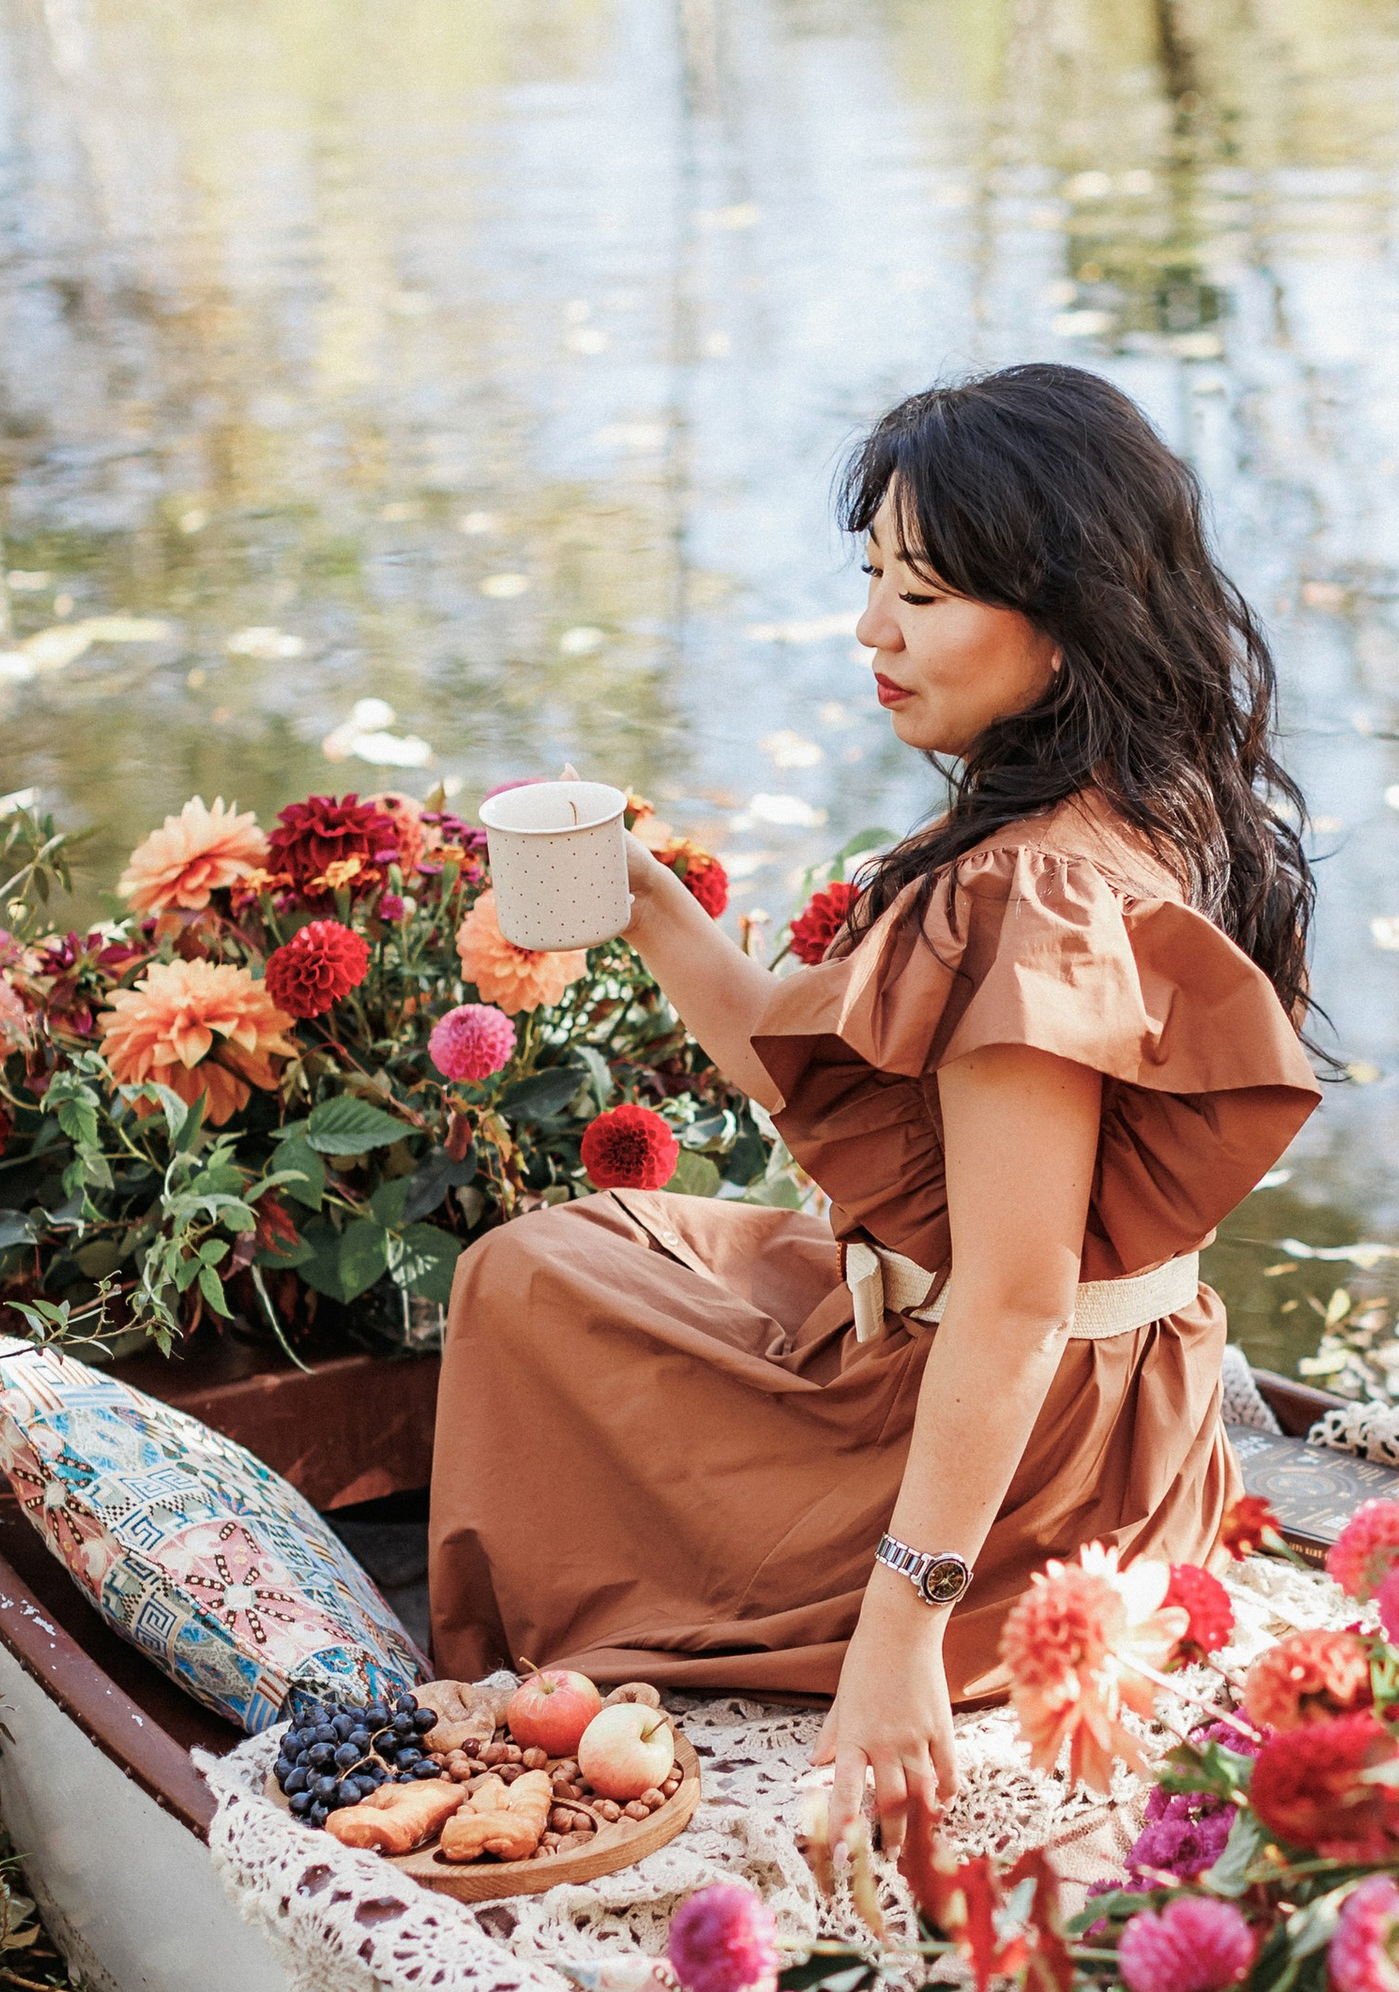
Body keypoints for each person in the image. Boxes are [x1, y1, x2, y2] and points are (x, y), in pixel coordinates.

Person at [427, 362, 1319, 1842]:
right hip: (1119, 1414)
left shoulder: (1032, 886)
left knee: (521, 1286)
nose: (871, 631)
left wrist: (900, 1628)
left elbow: (1019, 1300)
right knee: (611, 1241)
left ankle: (793, 1587)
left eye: (920, 594)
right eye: (873, 580)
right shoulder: (1138, 792)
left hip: (1027, 1479)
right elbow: (805, 1059)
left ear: (1065, 611)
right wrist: (651, 904)